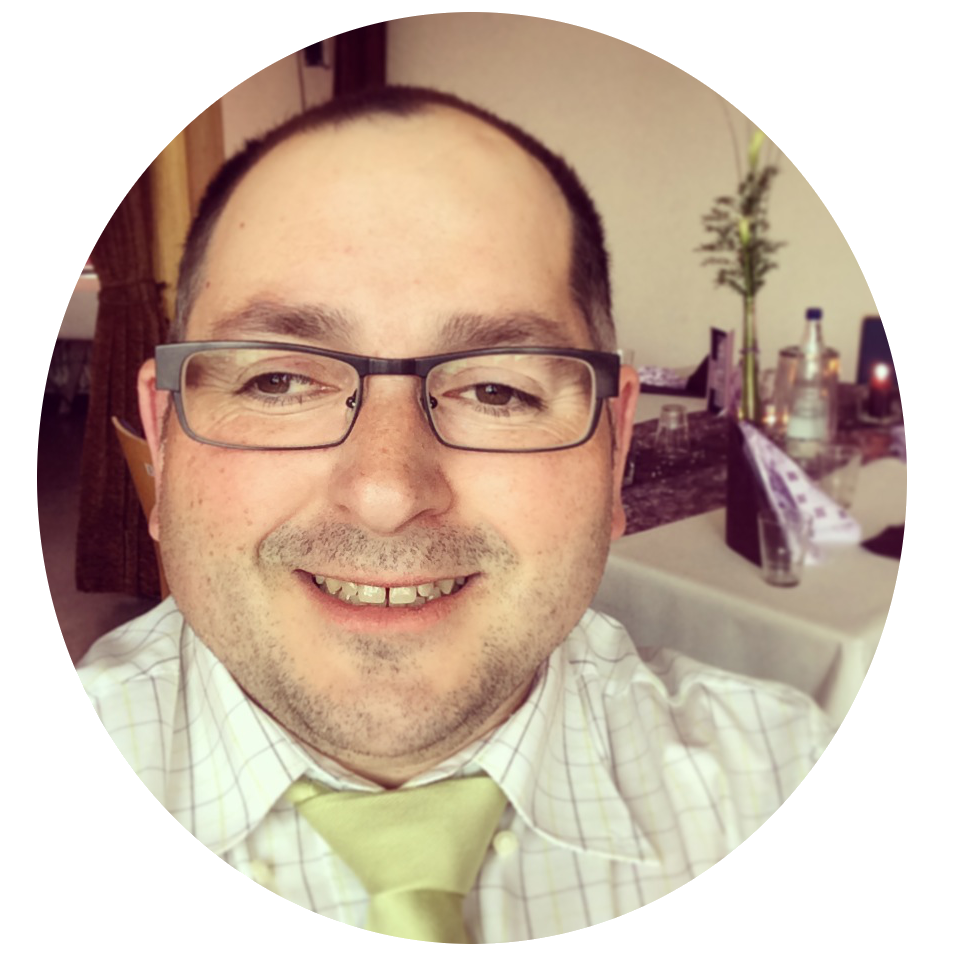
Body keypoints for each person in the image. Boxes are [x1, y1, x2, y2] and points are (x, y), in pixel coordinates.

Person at [78, 86, 831, 941]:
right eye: (278, 381)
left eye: (499, 390)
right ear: (164, 436)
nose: (387, 493)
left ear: (616, 446)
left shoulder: (775, 774)